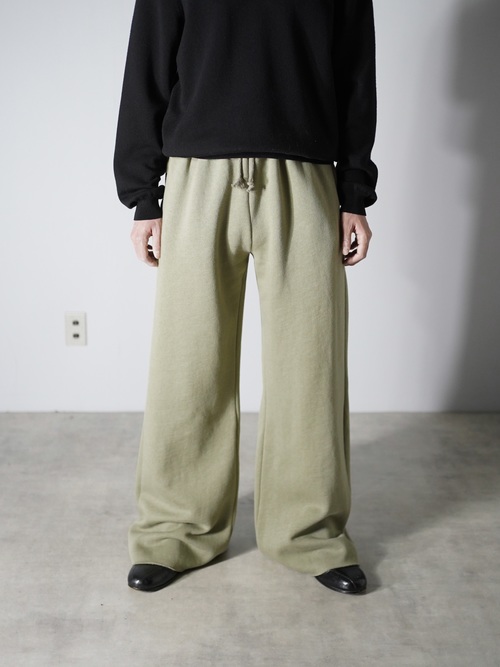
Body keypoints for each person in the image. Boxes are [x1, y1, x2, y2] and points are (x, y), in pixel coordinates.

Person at [113, 0, 378, 595]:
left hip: (306, 175)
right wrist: (144, 196)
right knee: (188, 364)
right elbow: (147, 69)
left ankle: (309, 532)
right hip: (196, 176)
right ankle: (176, 529)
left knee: (310, 365)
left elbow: (355, 74)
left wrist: (354, 192)